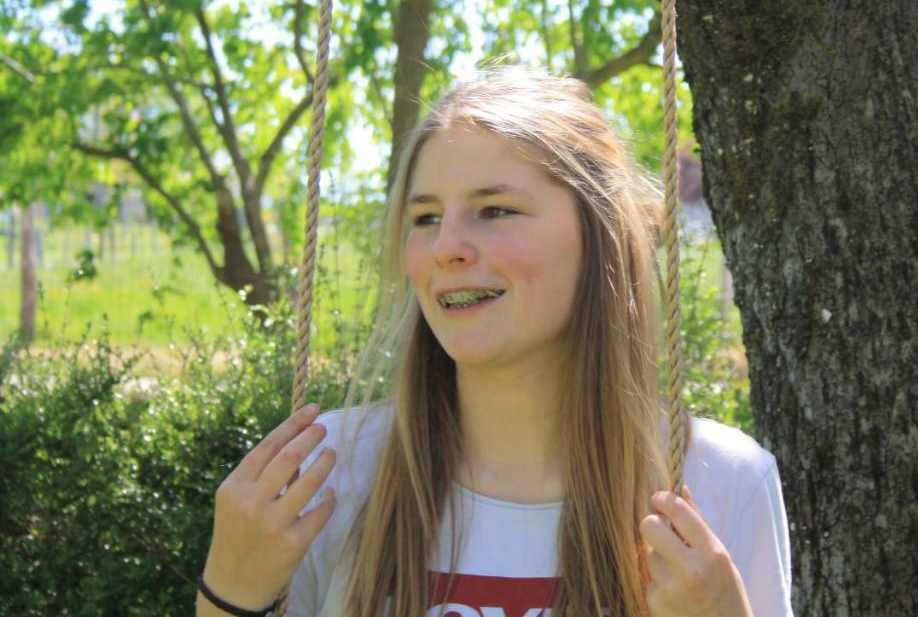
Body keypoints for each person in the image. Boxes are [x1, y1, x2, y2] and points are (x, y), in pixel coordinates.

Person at [196, 65, 792, 616]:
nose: (446, 247)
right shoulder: (329, 471)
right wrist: (228, 594)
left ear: (601, 235)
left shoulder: (724, 482)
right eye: (425, 218)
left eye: (495, 210)